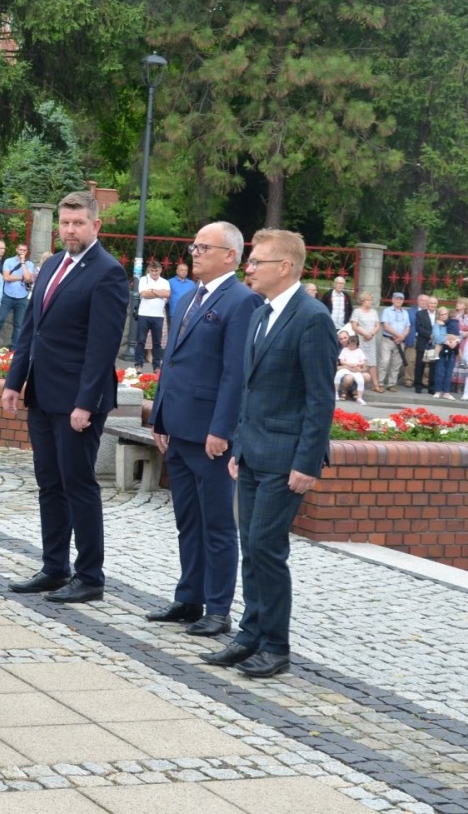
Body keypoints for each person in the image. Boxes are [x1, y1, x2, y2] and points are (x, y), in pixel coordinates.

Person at [201, 229, 336, 679]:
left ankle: (275, 645)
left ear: (285, 267)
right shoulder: (261, 314)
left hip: (286, 457)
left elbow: (320, 399)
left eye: (257, 261)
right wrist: (238, 445)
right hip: (254, 451)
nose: (249, 267)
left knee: (266, 548)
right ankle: (249, 636)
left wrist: (307, 462)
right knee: (250, 547)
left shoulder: (312, 318)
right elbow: (250, 389)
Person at [2, 191, 129, 605]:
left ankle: (90, 575)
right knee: (49, 484)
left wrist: (85, 403)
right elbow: (31, 330)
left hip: (77, 401)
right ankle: (54, 567)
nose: (70, 230)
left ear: (96, 226)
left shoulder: (107, 272)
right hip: (41, 393)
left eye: (78, 223)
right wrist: (13, 381)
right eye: (65, 222)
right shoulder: (53, 264)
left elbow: (102, 345)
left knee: (79, 485)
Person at [147, 222, 261, 639]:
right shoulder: (189, 296)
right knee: (187, 521)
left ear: (230, 255)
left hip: (209, 435)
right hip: (178, 428)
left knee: (216, 524)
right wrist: (159, 417)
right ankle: (188, 597)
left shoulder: (241, 301)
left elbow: (236, 374)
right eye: (194, 246)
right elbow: (170, 363)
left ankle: (218, 608)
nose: (194, 252)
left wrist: (222, 429)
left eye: (203, 247)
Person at [0, 242, 36, 349]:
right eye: (20, 250)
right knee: (0, 321)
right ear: (16, 250)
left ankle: (13, 349)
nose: (22, 252)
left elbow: (28, 278)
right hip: (8, 296)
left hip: (22, 297)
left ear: (27, 252)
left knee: (19, 325)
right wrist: (21, 277)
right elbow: (6, 277)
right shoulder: (9, 261)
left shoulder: (29, 264)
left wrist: (23, 263)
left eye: (24, 250)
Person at [133, 259, 170, 371]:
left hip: (158, 315)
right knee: (141, 340)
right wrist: (159, 293)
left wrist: (152, 291)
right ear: (149, 270)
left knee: (157, 342)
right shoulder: (144, 279)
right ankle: (139, 364)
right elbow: (144, 294)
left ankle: (156, 366)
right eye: (152, 271)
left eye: (156, 270)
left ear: (160, 270)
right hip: (144, 314)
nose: (154, 273)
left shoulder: (165, 282)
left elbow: (167, 294)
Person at [378, 291, 410, 390]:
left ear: (403, 301)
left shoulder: (405, 313)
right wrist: (398, 335)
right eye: (396, 298)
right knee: (384, 361)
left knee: (396, 364)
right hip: (388, 340)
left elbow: (408, 326)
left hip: (400, 341)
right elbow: (386, 326)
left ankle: (391, 384)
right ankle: (380, 383)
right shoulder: (387, 311)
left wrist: (402, 337)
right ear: (392, 299)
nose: (398, 301)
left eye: (400, 299)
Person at [350, 293, 380, 391]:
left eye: (371, 300)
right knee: (359, 361)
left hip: (371, 340)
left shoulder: (374, 312)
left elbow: (377, 326)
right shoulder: (357, 311)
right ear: (363, 301)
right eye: (368, 300)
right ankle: (357, 385)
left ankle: (375, 385)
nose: (370, 302)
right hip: (361, 339)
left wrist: (371, 334)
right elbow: (354, 325)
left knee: (372, 363)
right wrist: (364, 334)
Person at [431, 302, 460, 399]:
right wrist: (447, 341)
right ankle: (438, 390)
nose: (444, 316)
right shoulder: (437, 324)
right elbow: (437, 337)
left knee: (449, 372)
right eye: (441, 314)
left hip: (451, 350)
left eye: (445, 314)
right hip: (441, 350)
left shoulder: (451, 323)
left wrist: (455, 341)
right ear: (438, 315)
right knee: (439, 371)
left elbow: (458, 335)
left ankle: (447, 392)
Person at [334, 331, 368, 404]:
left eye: (345, 337)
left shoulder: (359, 350)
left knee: (363, 378)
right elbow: (337, 364)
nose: (343, 340)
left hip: (356, 369)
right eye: (341, 339)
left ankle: (359, 397)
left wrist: (359, 368)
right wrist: (348, 365)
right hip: (345, 371)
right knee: (340, 376)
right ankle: (337, 392)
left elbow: (364, 364)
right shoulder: (341, 350)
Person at [411, 294, 434, 395]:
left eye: (434, 303)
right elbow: (419, 328)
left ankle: (431, 387)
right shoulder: (420, 314)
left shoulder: (438, 314)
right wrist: (430, 335)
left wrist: (435, 337)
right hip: (423, 342)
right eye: (431, 303)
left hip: (434, 344)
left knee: (433, 365)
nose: (432, 305)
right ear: (427, 304)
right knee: (420, 365)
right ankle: (418, 385)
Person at [166, 260, 197, 328]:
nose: (184, 272)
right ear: (177, 271)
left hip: (188, 314)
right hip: (175, 313)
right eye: (181, 270)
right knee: (174, 333)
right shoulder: (170, 282)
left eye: (185, 270)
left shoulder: (191, 284)